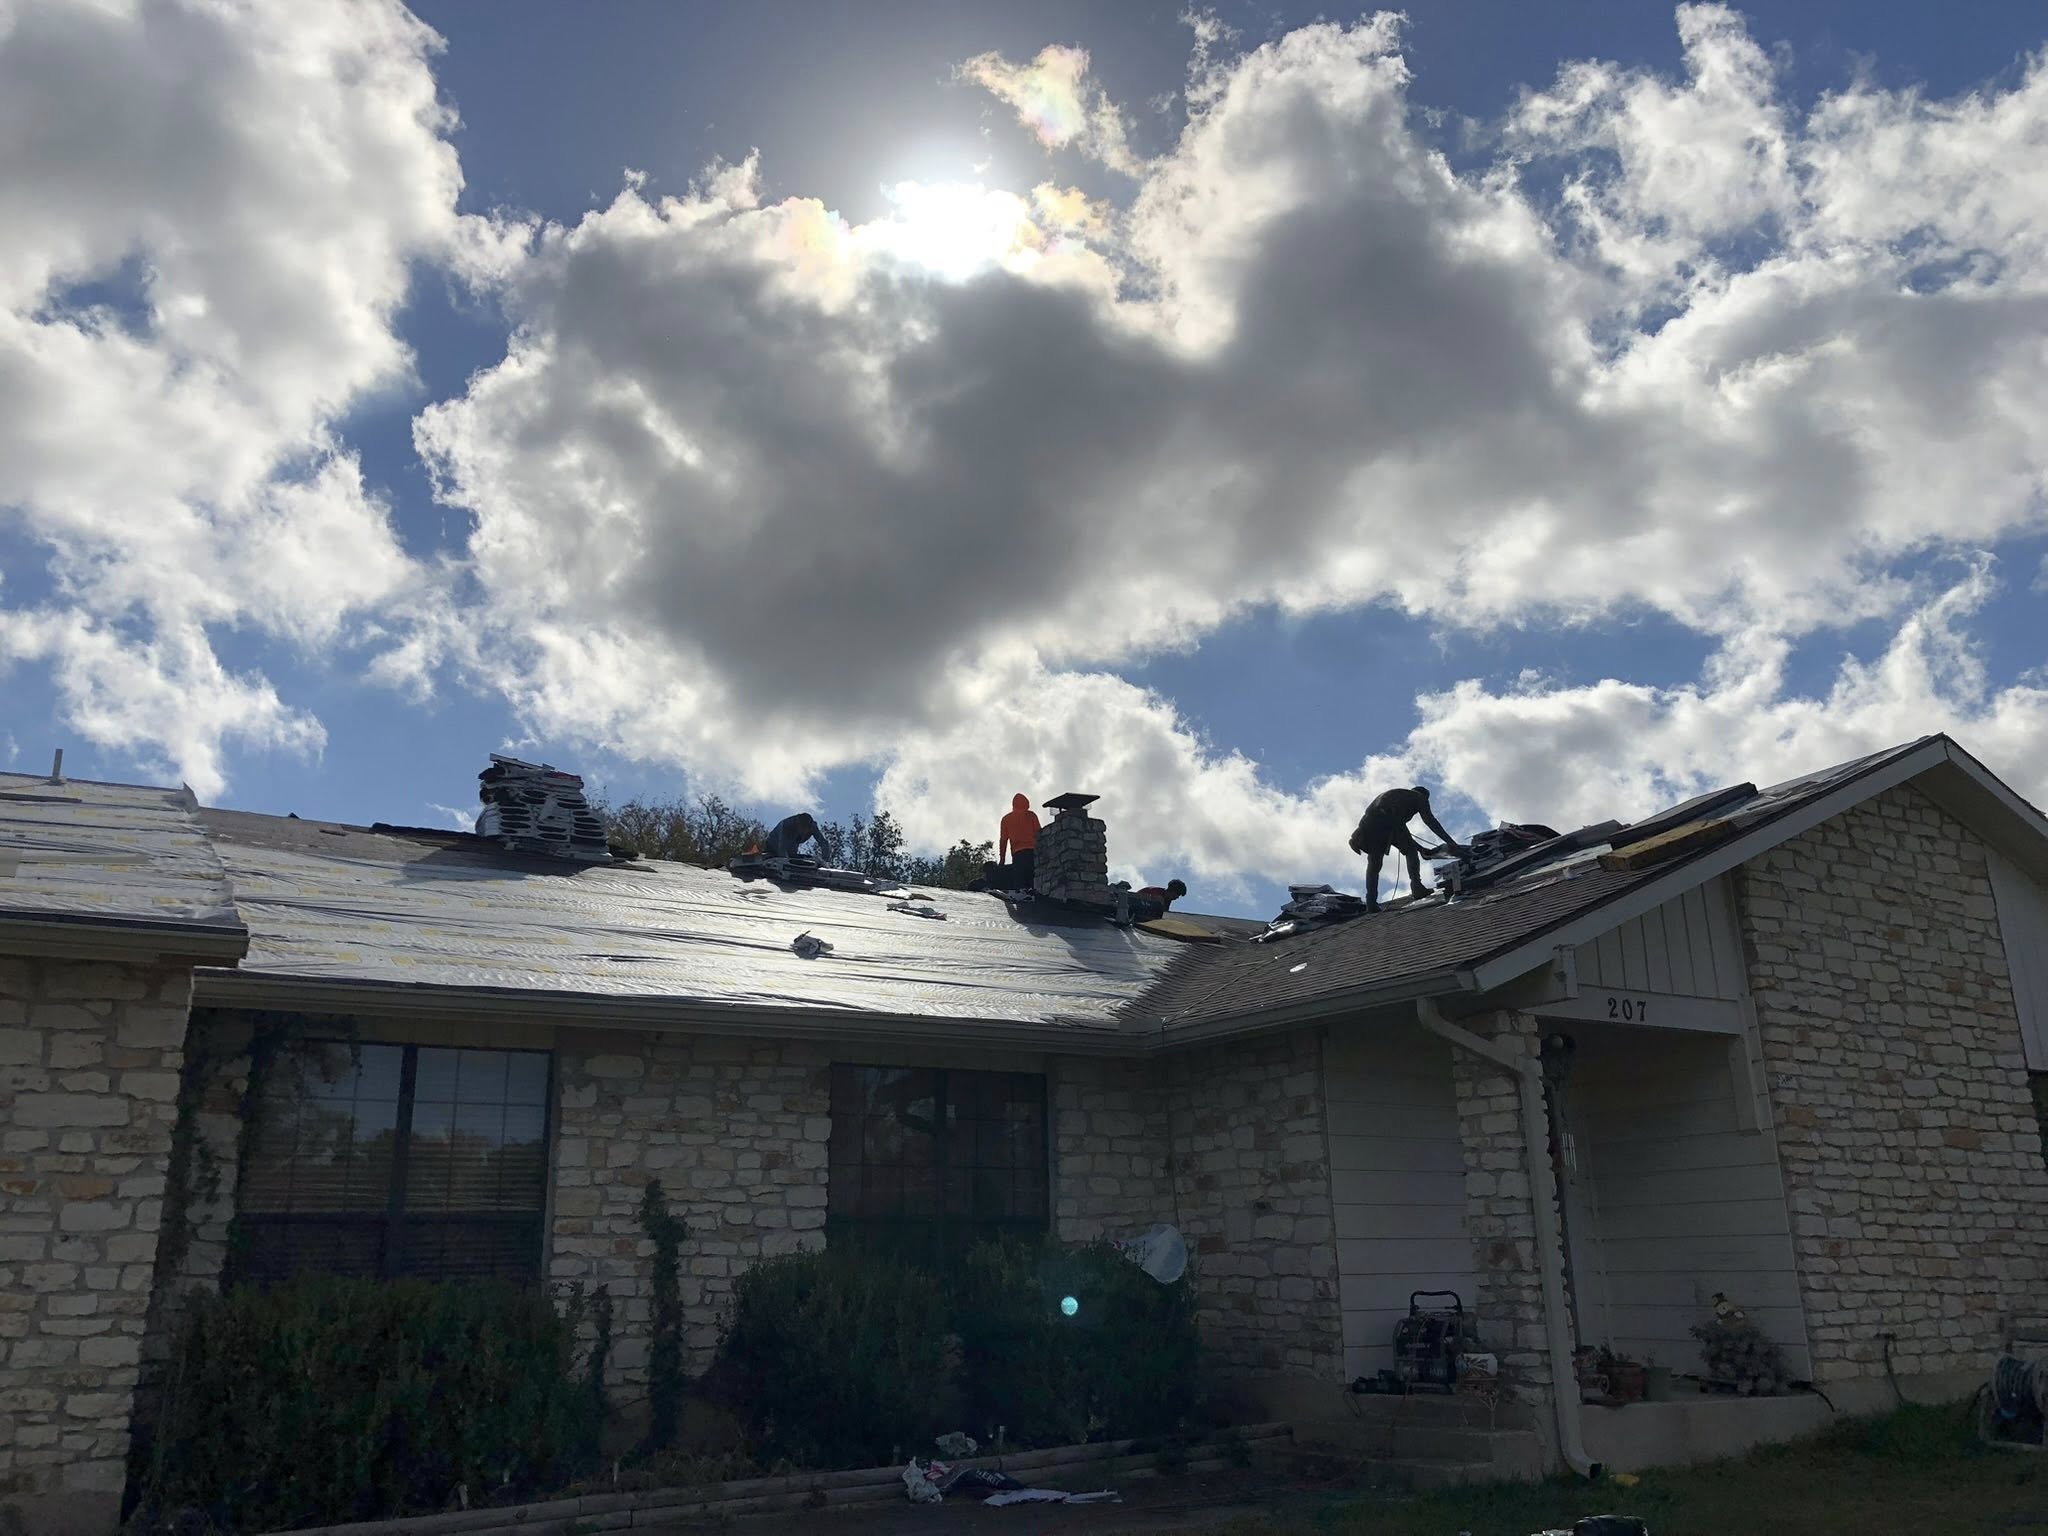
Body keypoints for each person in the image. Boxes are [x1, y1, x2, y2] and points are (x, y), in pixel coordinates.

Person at [1349, 786, 1464, 912]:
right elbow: (1430, 821)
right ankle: (1417, 887)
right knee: (1410, 852)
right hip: (1385, 822)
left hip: (1368, 825)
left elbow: (1401, 830)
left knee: (1374, 864)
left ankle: (1371, 903)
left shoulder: (1399, 795)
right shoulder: (1419, 797)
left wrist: (1420, 848)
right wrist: (1450, 841)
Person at [999, 793, 1041, 888]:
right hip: (1032, 853)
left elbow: (1003, 841)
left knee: (1020, 884)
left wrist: (1002, 859)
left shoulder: (1006, 819)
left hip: (1017, 854)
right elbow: (1039, 834)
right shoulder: (1031, 815)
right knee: (1032, 883)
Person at [762, 812, 833, 863]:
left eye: (805, 828)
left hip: (791, 851)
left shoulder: (813, 827)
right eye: (801, 828)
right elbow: (782, 848)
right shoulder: (787, 825)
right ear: (797, 824)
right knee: (770, 857)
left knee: (800, 858)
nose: (803, 831)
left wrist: (826, 862)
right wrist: (786, 864)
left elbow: (824, 844)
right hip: (772, 847)